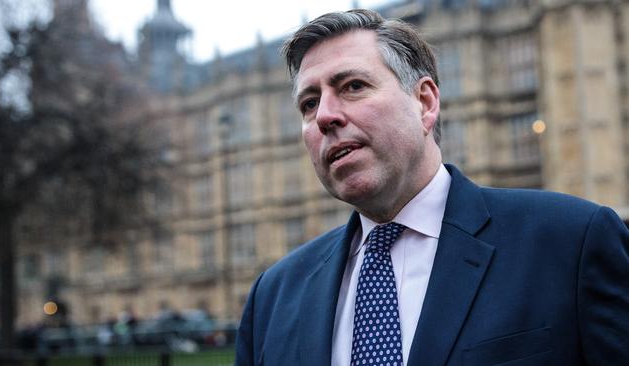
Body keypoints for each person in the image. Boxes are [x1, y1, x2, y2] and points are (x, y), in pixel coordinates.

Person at [235, 9, 629, 366]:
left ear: (424, 102)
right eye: (309, 103)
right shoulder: (273, 296)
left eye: (353, 86)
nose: (324, 116)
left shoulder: (571, 243)